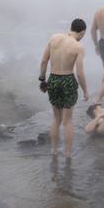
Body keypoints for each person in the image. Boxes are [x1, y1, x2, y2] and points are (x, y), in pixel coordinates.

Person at [39, 18, 89, 158]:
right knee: (68, 121)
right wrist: (85, 90)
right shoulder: (78, 47)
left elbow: (43, 61)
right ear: (82, 32)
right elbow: (79, 73)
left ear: (71, 28)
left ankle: (54, 150)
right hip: (67, 80)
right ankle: (68, 153)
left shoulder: (54, 38)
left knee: (56, 118)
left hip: (53, 79)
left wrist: (42, 79)